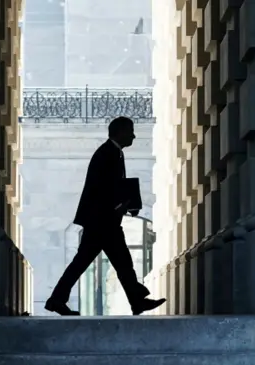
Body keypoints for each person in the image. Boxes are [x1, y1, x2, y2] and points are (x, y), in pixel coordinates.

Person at [44, 116, 165, 316]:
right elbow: (103, 188)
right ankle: (136, 301)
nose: (134, 136)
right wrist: (122, 204)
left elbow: (112, 187)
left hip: (103, 221)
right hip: (102, 222)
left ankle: (135, 301)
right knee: (109, 262)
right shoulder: (107, 153)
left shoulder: (112, 152)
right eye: (130, 131)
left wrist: (126, 204)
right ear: (119, 132)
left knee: (112, 262)